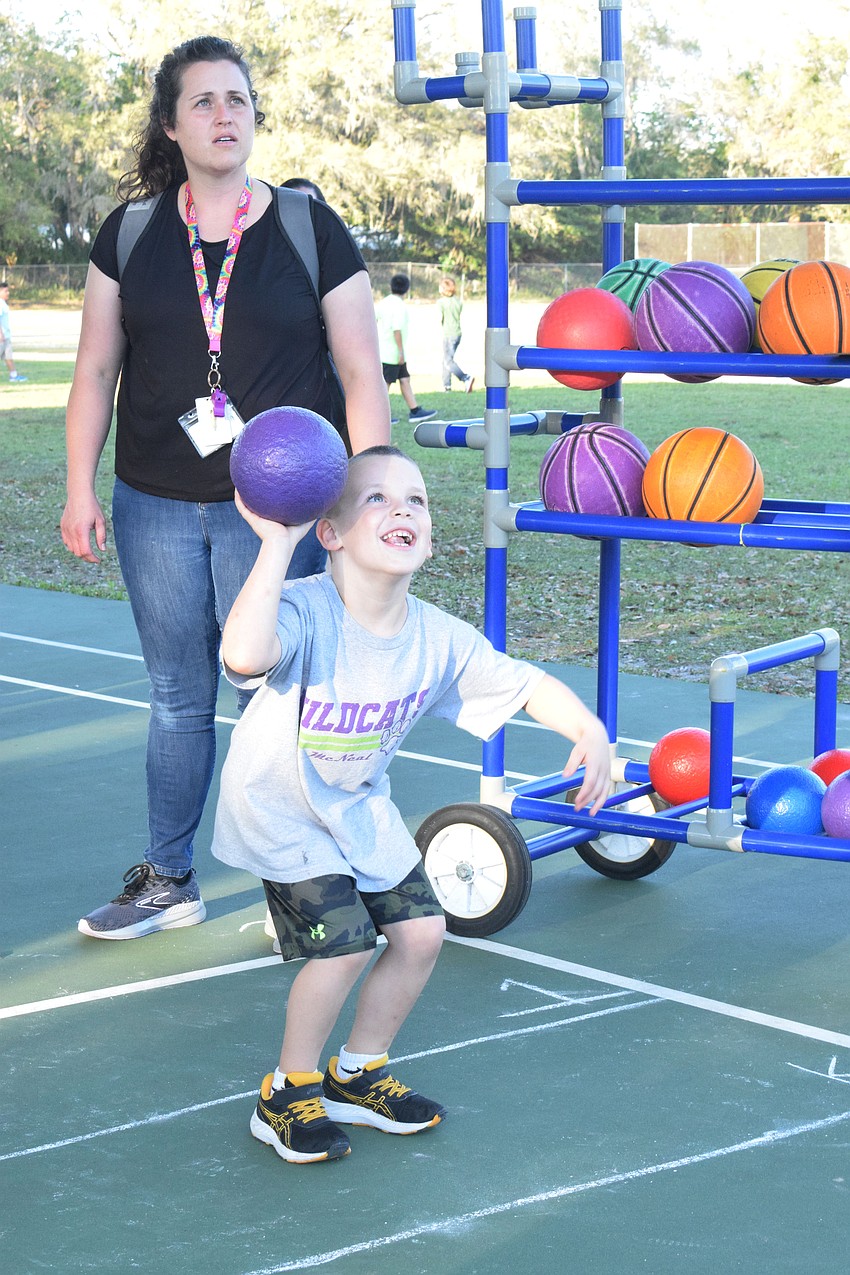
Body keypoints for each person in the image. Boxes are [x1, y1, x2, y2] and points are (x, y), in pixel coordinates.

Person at [60, 35, 389, 941]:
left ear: (254, 117)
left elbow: (360, 375)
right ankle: (169, 878)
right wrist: (78, 488)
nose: (222, 115)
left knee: (276, 693)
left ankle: (305, 878)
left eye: (237, 99)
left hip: (279, 517)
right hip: (155, 503)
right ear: (171, 124)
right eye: (202, 101)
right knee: (175, 696)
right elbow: (94, 374)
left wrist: (371, 496)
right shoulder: (128, 234)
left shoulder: (307, 227)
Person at [212, 444, 612, 1164]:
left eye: (417, 500)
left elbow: (522, 684)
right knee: (343, 947)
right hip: (279, 808)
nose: (402, 508)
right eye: (376, 498)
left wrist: (587, 726)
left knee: (424, 932)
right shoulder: (304, 609)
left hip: (356, 805)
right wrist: (276, 543)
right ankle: (285, 1091)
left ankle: (356, 1072)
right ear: (327, 532)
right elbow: (243, 655)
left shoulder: (437, 636)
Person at [374, 274, 436, 425]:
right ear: (407, 289)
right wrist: (400, 352)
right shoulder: (400, 306)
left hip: (384, 350)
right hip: (392, 353)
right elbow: (397, 330)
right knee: (385, 385)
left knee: (404, 379)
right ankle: (380, 416)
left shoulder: (384, 302)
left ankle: (415, 411)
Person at [437, 275, 474, 392]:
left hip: (448, 334)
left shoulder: (441, 302)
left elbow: (439, 318)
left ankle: (465, 377)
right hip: (457, 333)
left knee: (448, 361)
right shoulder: (458, 302)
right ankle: (447, 386)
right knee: (446, 359)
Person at [0, 281, 27, 383]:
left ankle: (13, 376)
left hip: (6, 336)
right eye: (5, 291)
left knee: (8, 357)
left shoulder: (3, 303)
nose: (8, 293)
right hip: (2, 337)